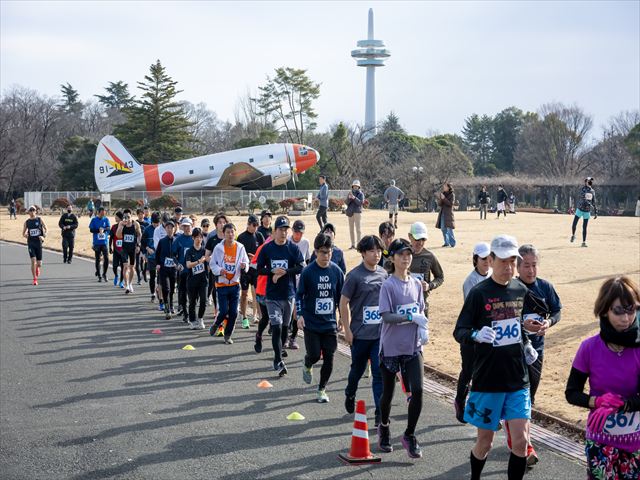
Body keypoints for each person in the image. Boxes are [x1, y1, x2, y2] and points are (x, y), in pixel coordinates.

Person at [453, 234, 539, 480]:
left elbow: (518, 325)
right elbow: (459, 331)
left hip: (517, 379)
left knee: (521, 442)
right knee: (485, 443)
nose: (509, 267)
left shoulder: (520, 289)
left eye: (512, 261)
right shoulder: (478, 293)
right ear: (491, 260)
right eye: (503, 261)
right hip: (488, 379)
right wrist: (476, 334)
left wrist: (527, 341)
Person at [565, 275, 640, 480]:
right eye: (618, 311)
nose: (626, 318)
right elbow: (572, 393)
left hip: (635, 442)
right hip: (600, 442)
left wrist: (623, 404)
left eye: (631, 309)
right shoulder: (588, 347)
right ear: (605, 310)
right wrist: (597, 402)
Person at [377, 239, 428, 459]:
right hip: (391, 347)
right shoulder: (388, 285)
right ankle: (384, 426)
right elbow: (386, 316)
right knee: (388, 393)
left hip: (412, 346)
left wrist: (423, 327)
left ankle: (409, 434)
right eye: (401, 255)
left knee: (418, 390)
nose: (406, 258)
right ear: (392, 258)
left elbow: (421, 310)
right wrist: (409, 317)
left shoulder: (416, 284)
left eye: (408, 254)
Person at [516, 243, 562, 466]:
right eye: (526, 265)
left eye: (534, 265)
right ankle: (525, 445)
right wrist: (522, 324)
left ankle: (520, 436)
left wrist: (548, 323)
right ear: (517, 266)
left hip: (537, 351)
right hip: (514, 351)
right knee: (519, 397)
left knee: (530, 397)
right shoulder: (511, 289)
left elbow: (557, 310)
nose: (531, 270)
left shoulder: (545, 287)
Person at [340, 235, 387, 426]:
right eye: (372, 251)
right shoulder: (354, 276)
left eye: (379, 251)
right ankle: (350, 392)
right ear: (363, 253)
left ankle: (379, 414)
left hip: (379, 335)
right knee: (357, 371)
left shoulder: (384, 274)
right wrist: (347, 330)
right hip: (359, 335)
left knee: (378, 373)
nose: (376, 254)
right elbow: (343, 302)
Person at [296, 233, 344, 403]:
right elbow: (299, 295)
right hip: (311, 323)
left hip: (329, 324)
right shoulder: (308, 272)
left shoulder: (336, 272)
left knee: (329, 357)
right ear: (316, 252)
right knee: (315, 355)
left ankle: (322, 389)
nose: (326, 255)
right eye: (323, 252)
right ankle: (308, 363)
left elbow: (342, 298)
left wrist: (342, 317)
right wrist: (299, 315)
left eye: (329, 252)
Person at [256, 216, 305, 376]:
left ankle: (280, 351)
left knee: (285, 329)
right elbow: (259, 269)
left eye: (286, 230)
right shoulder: (267, 249)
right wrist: (272, 271)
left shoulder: (293, 248)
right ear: (274, 231)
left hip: (289, 294)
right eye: (281, 229)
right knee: (276, 327)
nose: (284, 233)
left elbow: (301, 266)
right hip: (272, 296)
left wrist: (285, 272)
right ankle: (277, 360)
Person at [455, 242, 493, 423]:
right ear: (475, 260)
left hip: (489, 335)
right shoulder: (470, 282)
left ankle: (480, 410)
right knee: (469, 371)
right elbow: (472, 312)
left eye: (489, 258)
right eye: (483, 258)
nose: (487, 262)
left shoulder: (493, 275)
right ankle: (460, 402)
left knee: (486, 373)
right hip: (472, 334)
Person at [210, 223, 249, 344]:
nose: (230, 234)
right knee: (223, 311)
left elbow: (246, 262)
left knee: (234, 312)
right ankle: (216, 324)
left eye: (232, 232)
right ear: (223, 234)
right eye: (228, 232)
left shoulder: (240, 247)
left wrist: (244, 266)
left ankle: (228, 335)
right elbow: (212, 264)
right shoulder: (218, 248)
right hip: (222, 285)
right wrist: (219, 270)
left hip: (234, 285)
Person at [407, 222, 444, 317]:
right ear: (410, 236)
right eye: (417, 239)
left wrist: (429, 285)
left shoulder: (429, 256)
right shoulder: (401, 255)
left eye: (423, 239)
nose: (420, 243)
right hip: (403, 306)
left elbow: (440, 277)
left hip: (422, 307)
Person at [237, 215, 265, 329]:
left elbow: (264, 251)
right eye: (254, 225)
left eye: (257, 225)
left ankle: (258, 316)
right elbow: (238, 254)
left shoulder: (259, 236)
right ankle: (244, 317)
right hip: (245, 271)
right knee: (244, 294)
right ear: (248, 224)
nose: (255, 227)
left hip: (256, 269)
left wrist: (255, 258)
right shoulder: (241, 237)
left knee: (257, 294)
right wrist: (245, 260)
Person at [205, 213, 228, 325]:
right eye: (219, 222)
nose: (222, 224)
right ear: (216, 225)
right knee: (216, 290)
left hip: (228, 271)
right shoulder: (212, 239)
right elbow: (207, 256)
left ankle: (225, 313)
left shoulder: (230, 239)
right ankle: (216, 310)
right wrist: (214, 263)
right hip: (215, 271)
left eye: (224, 222)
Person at [185, 227, 208, 330]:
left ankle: (200, 318)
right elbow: (188, 265)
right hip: (192, 281)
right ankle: (192, 320)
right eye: (197, 237)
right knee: (192, 302)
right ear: (193, 238)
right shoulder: (189, 251)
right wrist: (199, 261)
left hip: (203, 280)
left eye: (200, 237)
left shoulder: (204, 251)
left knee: (203, 300)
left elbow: (209, 261)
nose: (199, 239)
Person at [173, 218, 194, 321]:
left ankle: (191, 312)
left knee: (193, 294)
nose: (186, 228)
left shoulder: (195, 238)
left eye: (188, 226)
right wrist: (177, 264)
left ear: (192, 226)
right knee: (183, 293)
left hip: (194, 271)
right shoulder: (179, 239)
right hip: (183, 271)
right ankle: (186, 313)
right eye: (184, 226)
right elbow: (173, 254)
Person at [116, 210, 142, 294]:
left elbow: (139, 235)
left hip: (133, 248)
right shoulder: (121, 223)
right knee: (125, 266)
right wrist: (122, 226)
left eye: (128, 217)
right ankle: (126, 285)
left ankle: (130, 283)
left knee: (132, 267)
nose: (126, 218)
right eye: (125, 217)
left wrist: (138, 245)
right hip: (124, 248)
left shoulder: (136, 224)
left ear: (131, 216)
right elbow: (118, 235)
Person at [156, 220, 177, 319]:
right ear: (165, 229)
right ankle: (167, 308)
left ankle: (171, 304)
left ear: (174, 229)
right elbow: (157, 254)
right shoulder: (162, 241)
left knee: (172, 289)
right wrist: (158, 264)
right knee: (166, 288)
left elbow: (179, 254)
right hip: (164, 269)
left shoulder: (177, 241)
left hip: (173, 269)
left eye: (171, 228)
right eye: (168, 228)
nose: (170, 229)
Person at [22, 206, 47, 285]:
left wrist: (43, 236)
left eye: (33, 210)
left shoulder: (39, 220)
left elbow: (46, 229)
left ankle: (37, 268)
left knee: (39, 263)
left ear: (36, 211)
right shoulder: (27, 222)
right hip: (31, 243)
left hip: (38, 243)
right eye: (31, 210)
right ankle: (35, 279)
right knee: (33, 260)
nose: (32, 211)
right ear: (28, 212)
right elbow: (23, 233)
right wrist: (26, 235)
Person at [571, 177, 598, 247]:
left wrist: (596, 211)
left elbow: (594, 201)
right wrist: (589, 204)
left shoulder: (593, 191)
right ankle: (573, 235)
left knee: (584, 227)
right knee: (574, 224)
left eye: (591, 181)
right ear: (586, 182)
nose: (590, 182)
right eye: (589, 181)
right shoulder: (583, 189)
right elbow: (583, 198)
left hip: (587, 211)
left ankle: (584, 242)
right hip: (580, 209)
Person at [142, 213, 160, 302]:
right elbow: (143, 242)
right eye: (154, 223)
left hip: (160, 257)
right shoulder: (147, 230)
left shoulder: (162, 230)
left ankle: (159, 290)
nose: (156, 225)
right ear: (151, 222)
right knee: (152, 276)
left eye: (158, 223)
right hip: (151, 257)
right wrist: (147, 249)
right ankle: (152, 294)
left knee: (161, 276)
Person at [89, 206, 110, 282]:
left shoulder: (106, 219)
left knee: (106, 258)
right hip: (97, 243)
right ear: (98, 213)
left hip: (104, 242)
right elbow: (91, 230)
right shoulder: (94, 220)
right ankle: (99, 275)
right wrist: (98, 230)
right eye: (101, 213)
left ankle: (104, 274)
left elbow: (108, 228)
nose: (103, 215)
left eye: (104, 213)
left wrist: (104, 229)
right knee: (98, 259)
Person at [436, 182, 456, 247]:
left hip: (448, 214)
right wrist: (441, 199)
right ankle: (446, 243)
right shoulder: (443, 194)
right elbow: (439, 204)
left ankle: (452, 243)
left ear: (448, 187)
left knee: (449, 229)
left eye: (445, 186)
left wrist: (444, 198)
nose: (444, 187)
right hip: (442, 213)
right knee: (443, 228)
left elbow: (450, 204)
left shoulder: (452, 195)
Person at [345, 180, 365, 249]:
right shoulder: (350, 193)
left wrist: (354, 198)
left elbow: (360, 203)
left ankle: (358, 244)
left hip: (357, 212)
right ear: (352, 186)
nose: (355, 187)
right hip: (350, 213)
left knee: (358, 229)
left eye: (357, 186)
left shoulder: (361, 194)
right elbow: (346, 202)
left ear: (359, 187)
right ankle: (353, 244)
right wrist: (349, 198)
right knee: (351, 230)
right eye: (354, 186)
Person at [109, 211, 125, 288]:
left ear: (119, 218)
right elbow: (111, 238)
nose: (115, 218)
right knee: (114, 266)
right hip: (116, 249)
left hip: (123, 250)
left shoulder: (125, 227)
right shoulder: (113, 227)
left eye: (116, 217)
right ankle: (116, 275)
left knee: (123, 266)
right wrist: (110, 247)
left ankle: (121, 281)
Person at [135, 209, 150, 284]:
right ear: (137, 215)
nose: (141, 215)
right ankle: (138, 278)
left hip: (144, 245)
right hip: (137, 244)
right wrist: (136, 244)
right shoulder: (135, 223)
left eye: (142, 214)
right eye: (139, 214)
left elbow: (148, 235)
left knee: (145, 261)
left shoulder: (147, 224)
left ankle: (144, 273)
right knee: (137, 262)